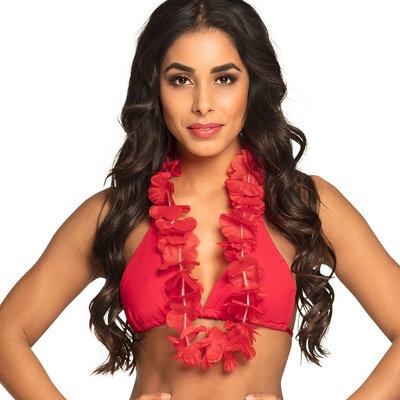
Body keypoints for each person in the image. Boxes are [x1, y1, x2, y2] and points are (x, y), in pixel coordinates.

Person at [0, 0, 399, 399]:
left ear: (253, 85)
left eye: (224, 78)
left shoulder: (301, 202)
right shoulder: (116, 212)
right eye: (181, 80)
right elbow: (7, 335)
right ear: (155, 88)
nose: (203, 103)